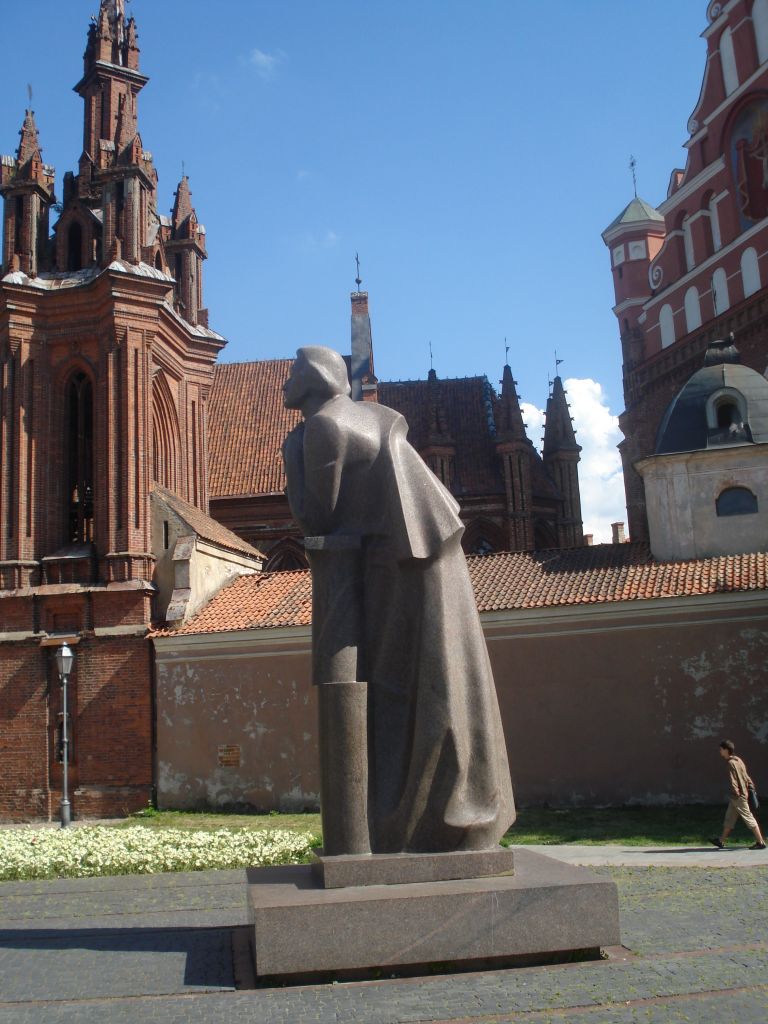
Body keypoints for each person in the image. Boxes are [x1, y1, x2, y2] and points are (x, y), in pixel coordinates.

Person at [282, 346, 515, 854]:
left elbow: (318, 519)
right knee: (440, 675)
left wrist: (292, 455)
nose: (285, 379)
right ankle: (452, 810)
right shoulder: (362, 415)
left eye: (294, 369)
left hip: (397, 558)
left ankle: (409, 822)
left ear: (316, 379)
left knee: (404, 686)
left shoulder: (322, 426)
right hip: (423, 547)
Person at [710, 740, 765, 850]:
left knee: (748, 818)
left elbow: (733, 780)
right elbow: (746, 775)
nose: (720, 751)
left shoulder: (731, 763)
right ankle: (721, 841)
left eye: (721, 749)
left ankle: (761, 842)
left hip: (738, 796)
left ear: (726, 750)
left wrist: (736, 792)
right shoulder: (738, 760)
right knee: (730, 818)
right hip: (739, 795)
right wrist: (750, 785)